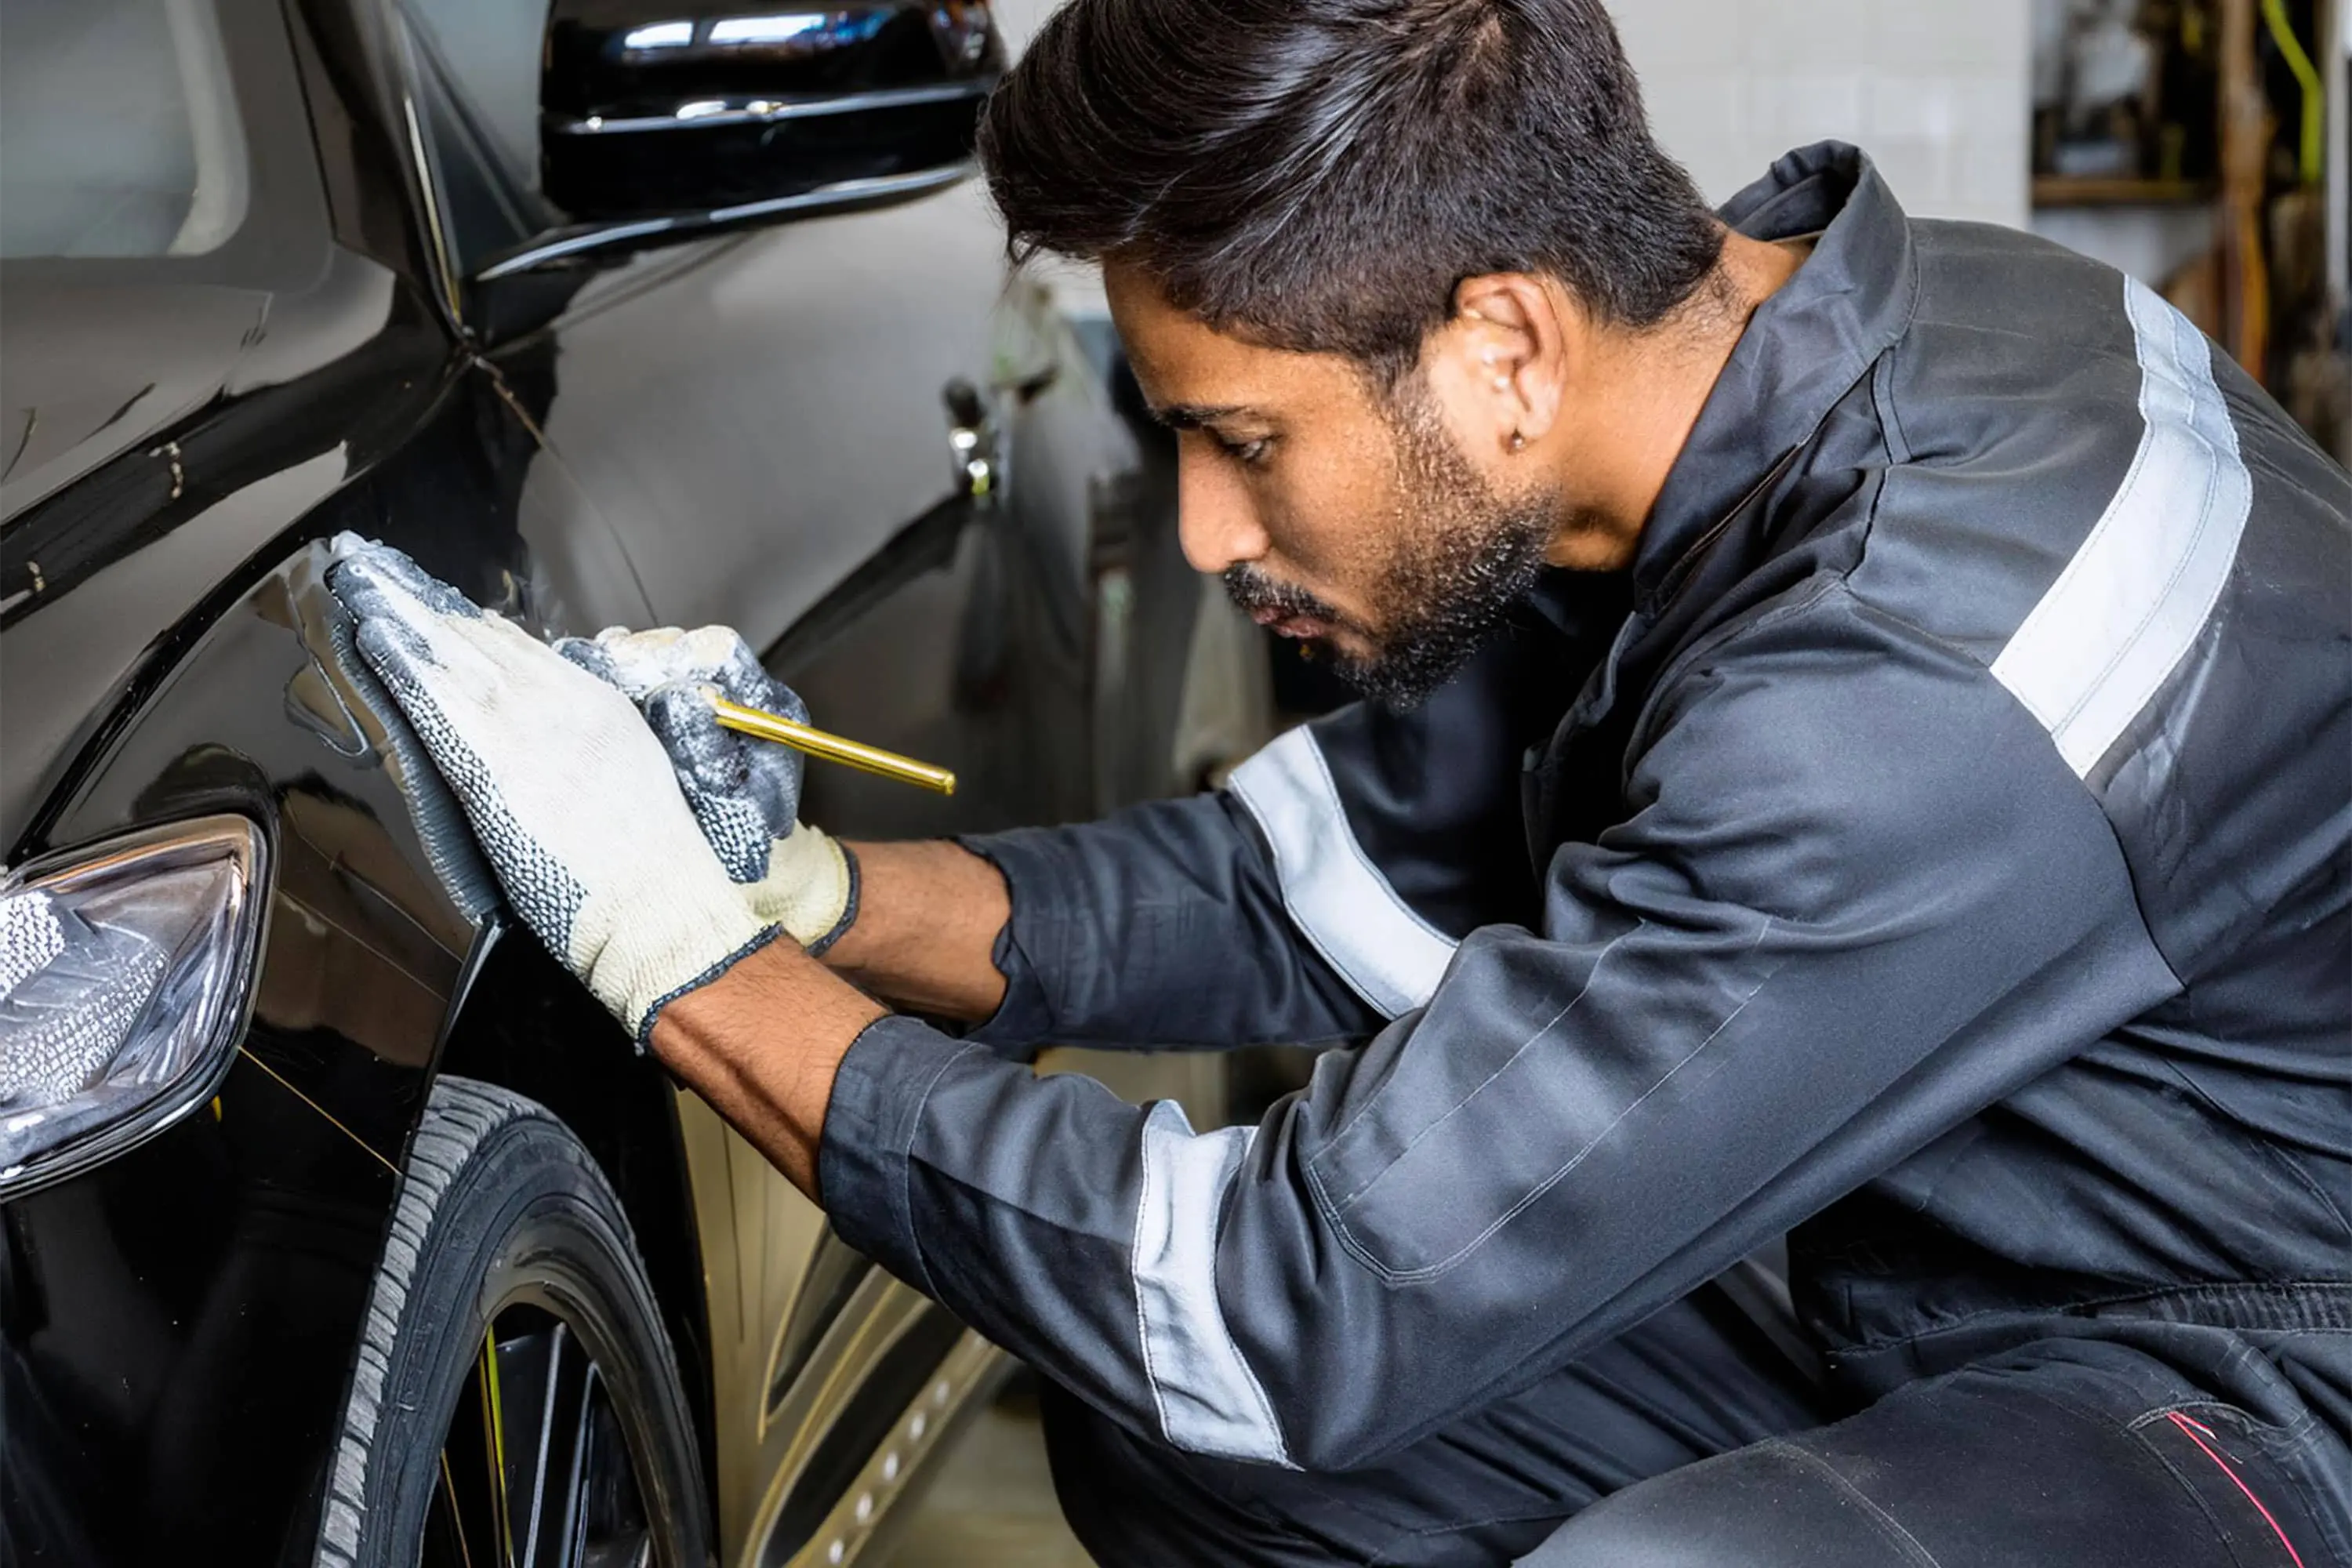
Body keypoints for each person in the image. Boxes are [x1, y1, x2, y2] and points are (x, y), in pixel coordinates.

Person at [326, 0, 2352, 1561]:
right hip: (1936, 1290)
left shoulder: (1920, 681)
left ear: (1499, 345)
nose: (1206, 533)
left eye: (1245, 441)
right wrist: (803, 892)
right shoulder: (1756, 393)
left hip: (2256, 1392)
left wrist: (676, 961)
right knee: (1196, 1440)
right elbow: (1309, 880)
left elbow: (1290, 1301)